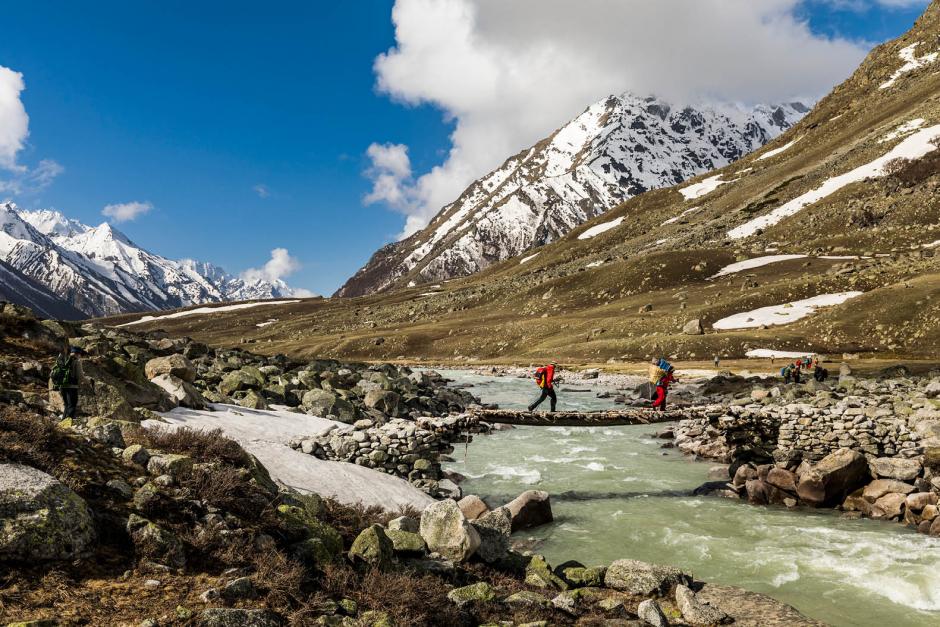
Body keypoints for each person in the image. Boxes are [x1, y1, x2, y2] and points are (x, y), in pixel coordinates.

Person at [50, 346, 84, 421]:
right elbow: (80, 376)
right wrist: (88, 381)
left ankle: (63, 422)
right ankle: (68, 424)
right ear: (78, 353)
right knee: (72, 405)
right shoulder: (76, 361)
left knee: (67, 405)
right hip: (72, 387)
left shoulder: (63, 360)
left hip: (62, 386)